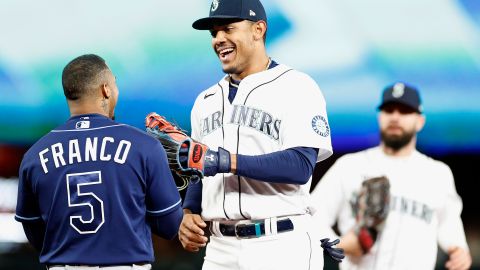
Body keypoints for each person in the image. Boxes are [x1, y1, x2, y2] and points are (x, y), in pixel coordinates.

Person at [175, 0, 342, 269]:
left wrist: (226, 160)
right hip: (220, 249)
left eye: (228, 29)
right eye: (214, 33)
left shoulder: (296, 86)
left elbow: (300, 165)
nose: (219, 39)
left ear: (258, 29)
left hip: (281, 244)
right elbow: (199, 169)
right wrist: (189, 212)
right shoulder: (204, 101)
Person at [15, 54, 183, 269]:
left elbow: (35, 233)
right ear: (106, 89)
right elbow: (169, 226)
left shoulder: (34, 155)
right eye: (115, 84)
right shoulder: (143, 146)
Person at [310, 82, 472, 270]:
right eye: (389, 110)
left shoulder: (437, 174)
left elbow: (448, 223)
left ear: (420, 121)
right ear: (380, 117)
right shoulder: (350, 165)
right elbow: (312, 217)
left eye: (404, 111)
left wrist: (459, 249)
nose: (395, 117)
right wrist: (339, 244)